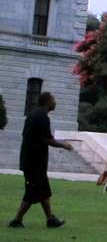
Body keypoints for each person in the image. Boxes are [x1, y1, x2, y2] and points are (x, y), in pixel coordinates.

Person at [8, 92, 72, 229]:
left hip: (32, 160)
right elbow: (48, 139)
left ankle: (50, 219)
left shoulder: (32, 115)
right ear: (47, 102)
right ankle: (17, 220)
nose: (55, 102)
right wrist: (64, 145)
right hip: (34, 163)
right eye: (53, 100)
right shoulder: (42, 117)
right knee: (32, 191)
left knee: (43, 190)